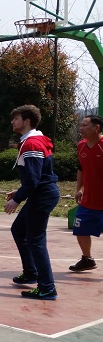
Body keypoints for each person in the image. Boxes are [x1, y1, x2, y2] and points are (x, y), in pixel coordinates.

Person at [5, 105, 59, 300]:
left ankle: (47, 288)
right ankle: (31, 272)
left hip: (42, 195)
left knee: (36, 240)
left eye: (16, 118)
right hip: (40, 193)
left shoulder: (32, 144)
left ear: (27, 121)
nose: (12, 121)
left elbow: (34, 180)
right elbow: (36, 177)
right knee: (19, 230)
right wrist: (20, 191)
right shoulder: (32, 141)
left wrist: (17, 199)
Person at [70, 114, 103, 272]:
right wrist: (79, 189)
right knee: (80, 229)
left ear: (97, 128)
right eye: (80, 125)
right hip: (89, 200)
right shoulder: (81, 145)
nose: (81, 128)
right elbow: (81, 168)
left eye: (85, 125)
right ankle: (87, 259)